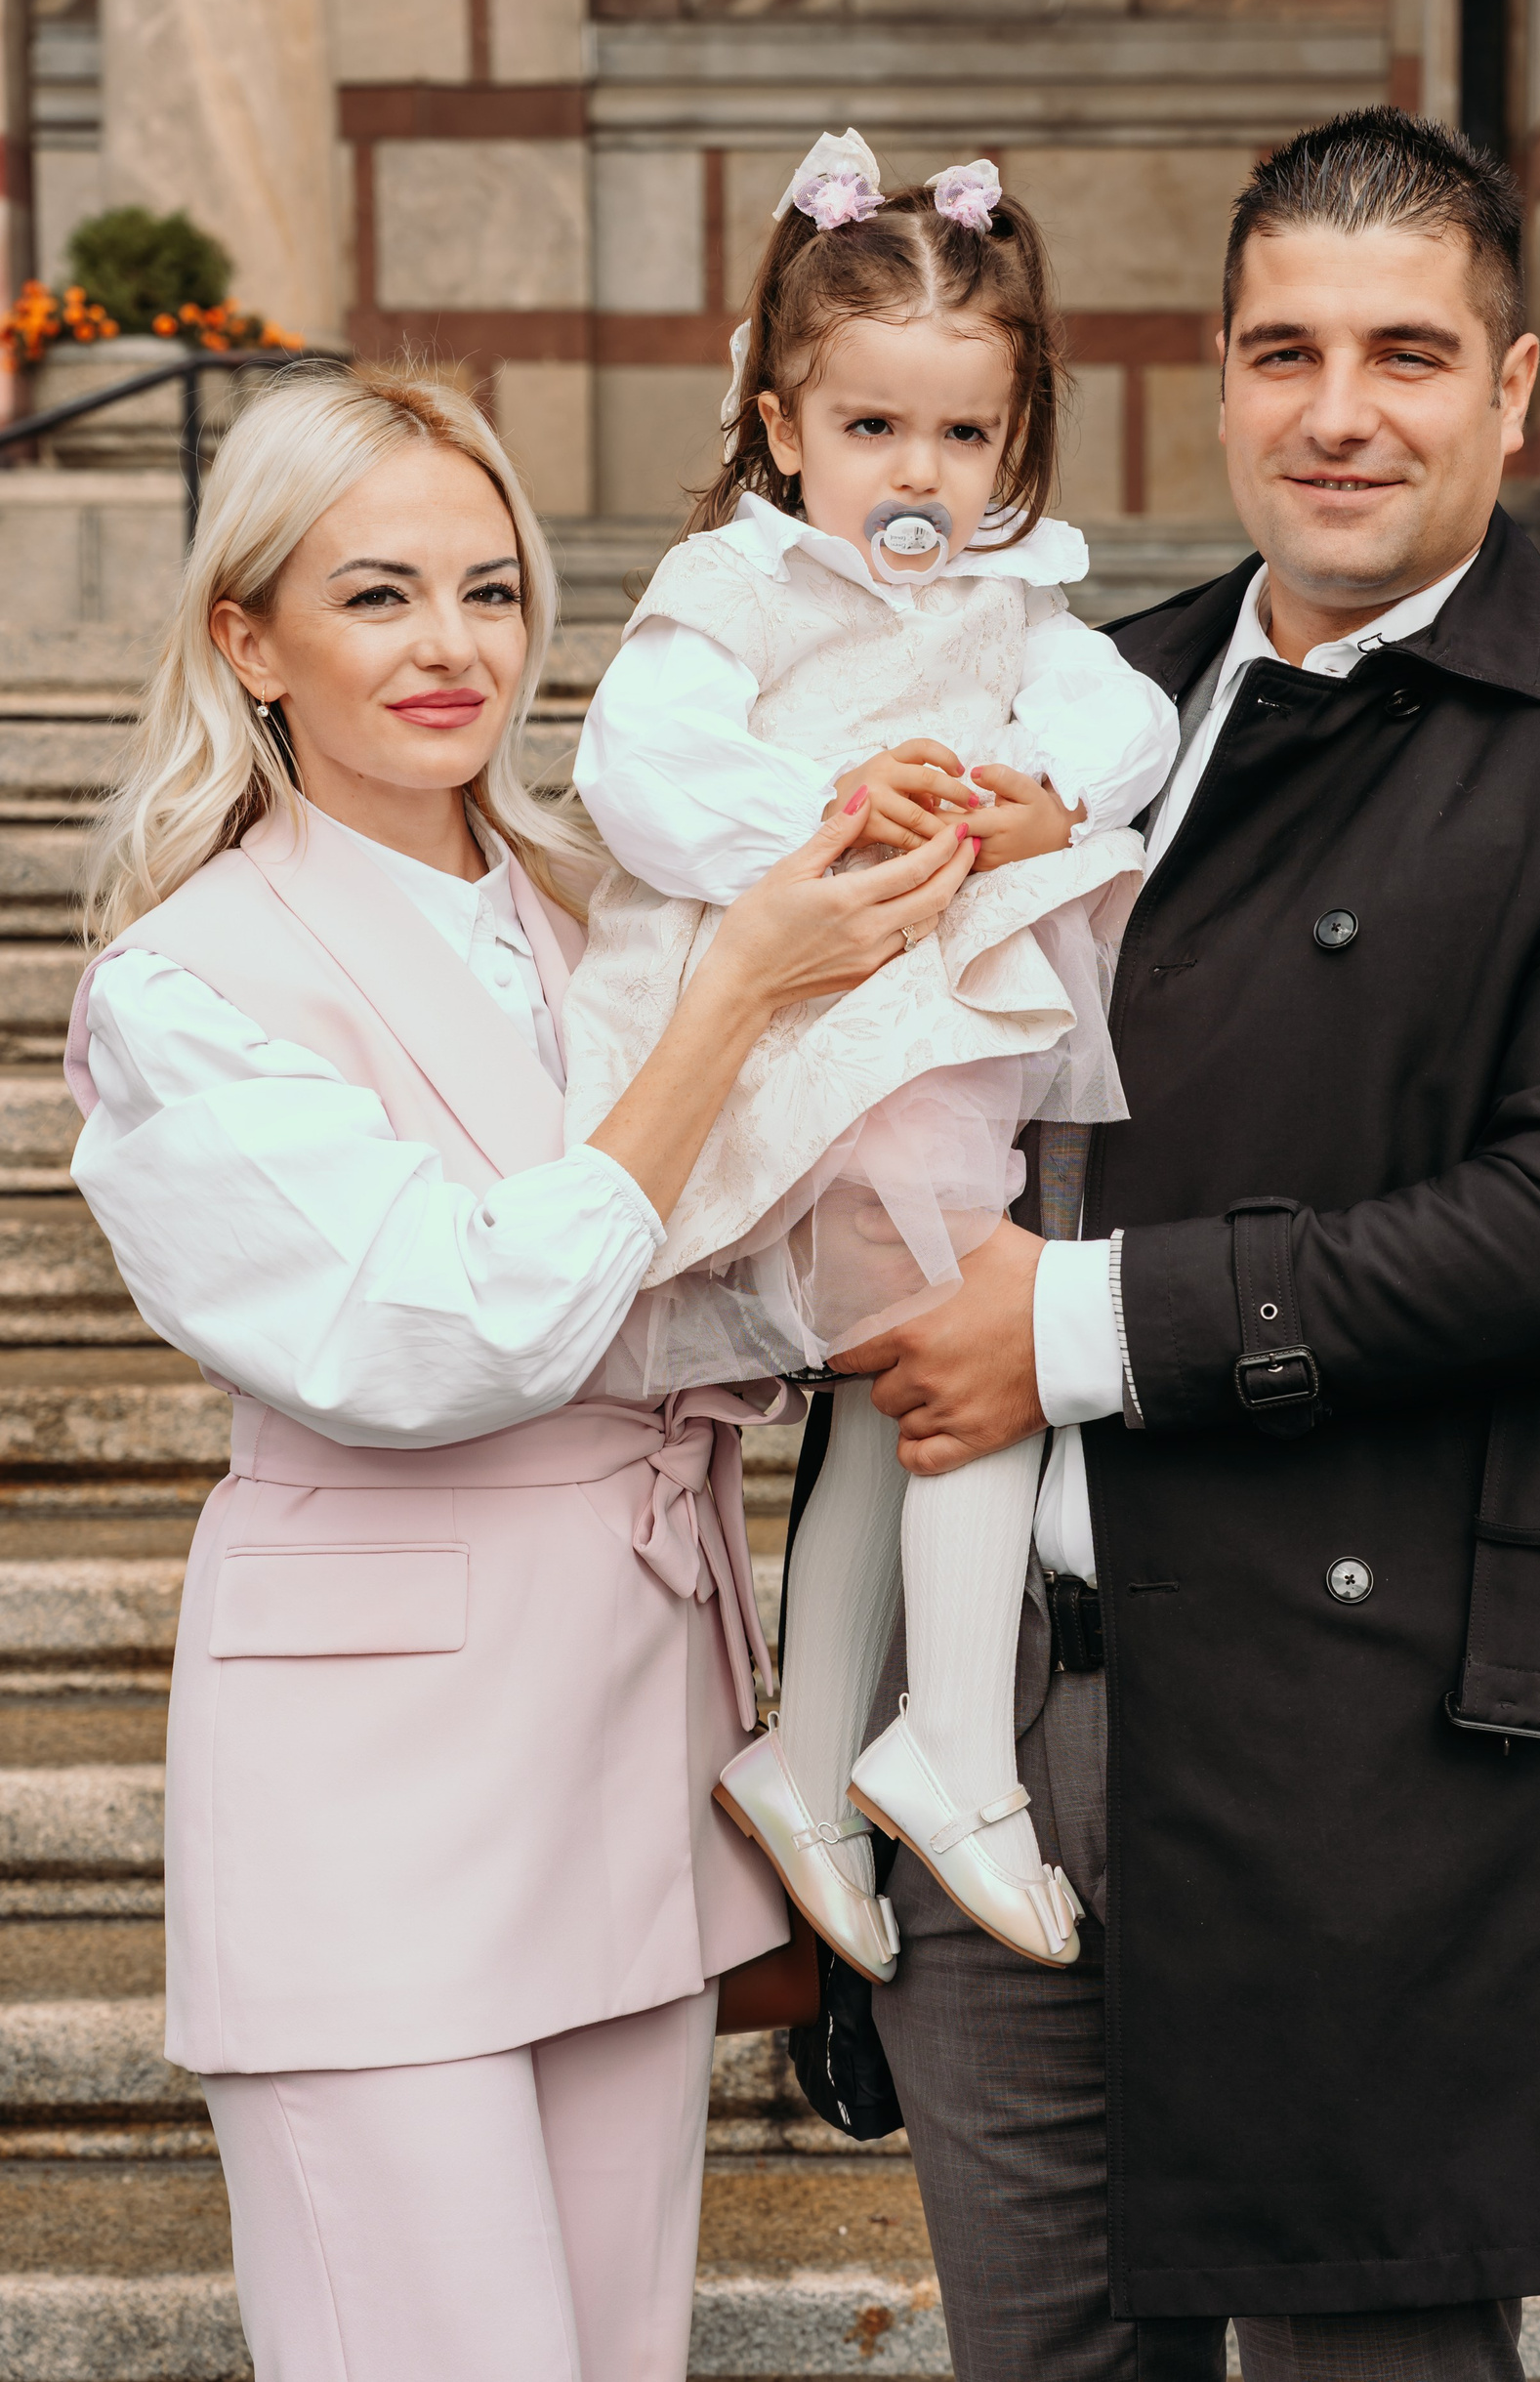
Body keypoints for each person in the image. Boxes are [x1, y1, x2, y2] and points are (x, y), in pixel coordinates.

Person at [821, 109, 1540, 2379]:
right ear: (1221, 375)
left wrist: (1076, 1320)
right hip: (1003, 1721)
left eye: (1405, 353)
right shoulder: (1083, 699)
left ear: (1513, 386)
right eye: (1287, 352)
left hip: (1369, 1741)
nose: (1339, 412)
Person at [64, 363, 974, 2382]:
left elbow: (703, 1289)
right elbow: (444, 1332)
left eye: (490, 590)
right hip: (373, 1790)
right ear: (250, 638)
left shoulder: (593, 908)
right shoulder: (187, 987)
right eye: (377, 594)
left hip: (629, 1737)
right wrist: (736, 998)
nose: (452, 647)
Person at [562, 130, 1176, 1978]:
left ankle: (815, 1756)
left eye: (963, 434)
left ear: (1015, 437)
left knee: (908, 1382)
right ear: (781, 427)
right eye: (873, 428)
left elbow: (1126, 717)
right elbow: (640, 766)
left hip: (931, 1036)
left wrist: (1049, 789)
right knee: (986, 1345)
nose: (919, 474)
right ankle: (956, 1751)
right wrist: (826, 811)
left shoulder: (1011, 598)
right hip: (809, 1033)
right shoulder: (740, 588)